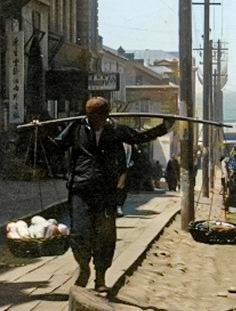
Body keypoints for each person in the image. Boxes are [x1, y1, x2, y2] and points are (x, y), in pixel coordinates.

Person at [52, 97, 173, 292]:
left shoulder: (116, 129)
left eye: (98, 116)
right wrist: (38, 131)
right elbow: (57, 145)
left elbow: (138, 137)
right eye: (91, 116)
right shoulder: (77, 127)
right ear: (87, 114)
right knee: (79, 233)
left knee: (105, 237)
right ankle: (83, 268)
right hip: (80, 188)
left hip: (106, 190)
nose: (94, 120)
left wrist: (164, 128)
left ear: (105, 115)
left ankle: (100, 277)